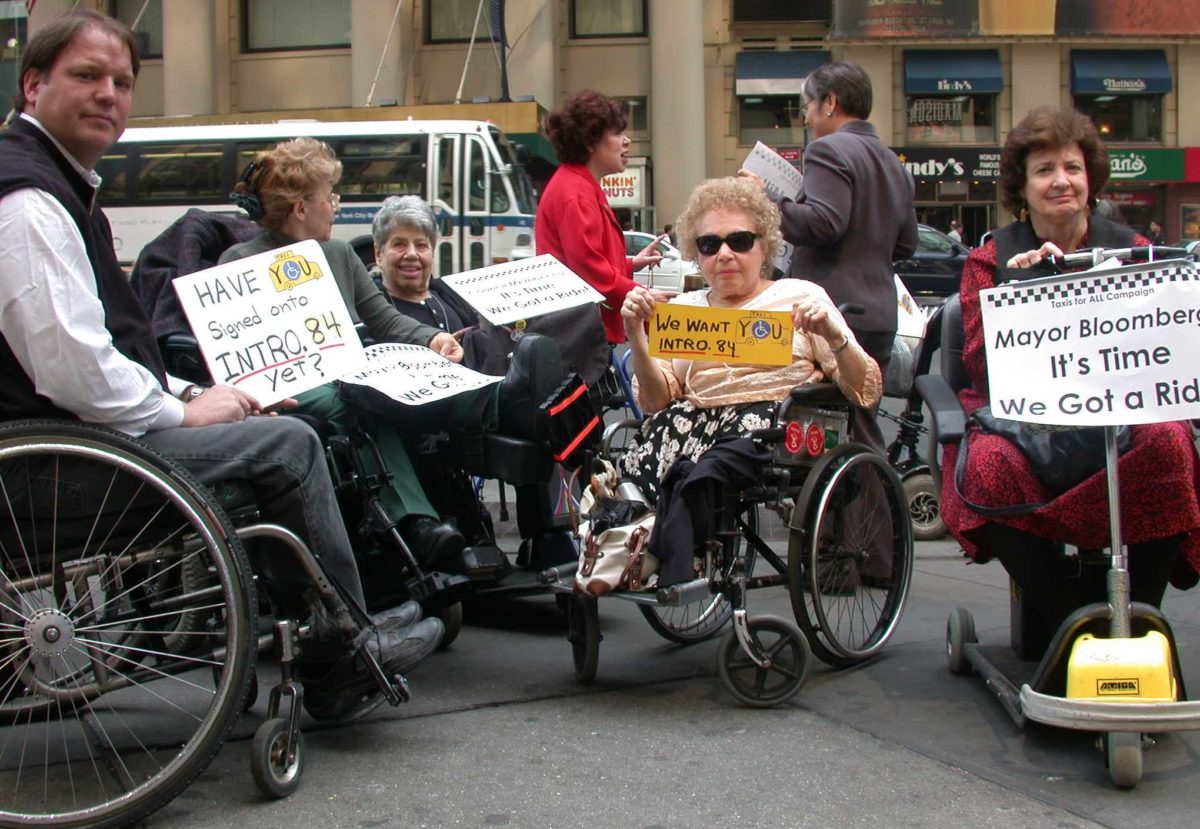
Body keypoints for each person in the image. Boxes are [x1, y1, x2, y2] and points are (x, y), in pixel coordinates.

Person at [0, 9, 442, 723]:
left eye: (121, 80)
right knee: (290, 445)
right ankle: (340, 650)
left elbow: (99, 352)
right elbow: (69, 366)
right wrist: (181, 411)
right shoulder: (28, 201)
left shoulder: (58, 185)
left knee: (262, 422)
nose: (108, 93)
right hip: (48, 471)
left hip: (66, 443)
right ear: (32, 84)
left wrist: (203, 392)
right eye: (85, 76)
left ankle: (324, 628)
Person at [220, 140, 565, 570]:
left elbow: (385, 321)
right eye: (331, 198)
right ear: (300, 208)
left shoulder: (339, 254)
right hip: (292, 385)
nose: (337, 208)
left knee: (407, 380)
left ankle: (507, 400)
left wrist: (431, 340)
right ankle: (416, 523)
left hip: (349, 368)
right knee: (362, 398)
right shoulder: (240, 261)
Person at [940, 105, 1200, 648]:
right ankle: (1066, 624)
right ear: (1023, 185)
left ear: (1090, 178)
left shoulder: (1135, 252)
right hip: (1026, 420)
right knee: (987, 468)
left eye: (1072, 167)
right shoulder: (990, 260)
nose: (1061, 180)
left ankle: (1141, 618)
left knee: (1171, 444)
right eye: (1044, 169)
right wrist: (1028, 295)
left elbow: (1162, 350)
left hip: (1118, 412)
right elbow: (986, 370)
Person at [617, 177, 881, 501]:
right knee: (629, 475)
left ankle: (664, 539)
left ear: (765, 245)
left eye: (739, 241)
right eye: (709, 245)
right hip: (688, 428)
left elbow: (862, 389)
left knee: (697, 476)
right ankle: (633, 534)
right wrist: (635, 336)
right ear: (696, 254)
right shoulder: (681, 311)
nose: (724, 254)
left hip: (766, 433)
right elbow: (655, 402)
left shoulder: (800, 297)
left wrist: (834, 335)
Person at [739, 61, 917, 453]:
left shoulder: (827, 149)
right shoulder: (893, 163)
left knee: (809, 414)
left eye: (808, 105)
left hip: (829, 311)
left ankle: (855, 504)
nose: (805, 116)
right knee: (861, 413)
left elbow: (824, 223)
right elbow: (906, 244)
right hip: (880, 312)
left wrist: (765, 197)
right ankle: (870, 499)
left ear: (830, 103)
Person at [536, 89, 670, 347]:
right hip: (580, 338)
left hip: (580, 331)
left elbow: (588, 261)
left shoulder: (578, 186)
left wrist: (632, 263)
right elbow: (588, 272)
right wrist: (641, 295)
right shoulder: (576, 193)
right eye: (617, 133)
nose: (627, 141)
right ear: (590, 141)